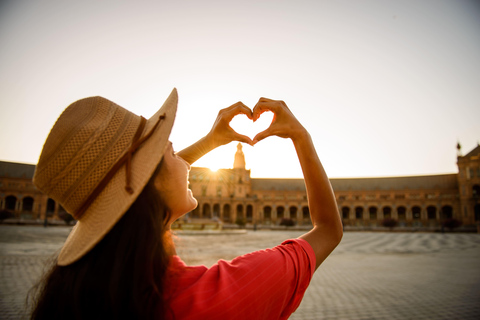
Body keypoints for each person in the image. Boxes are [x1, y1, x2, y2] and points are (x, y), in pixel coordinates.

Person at [29, 88, 342, 319]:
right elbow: (328, 229)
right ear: (151, 188)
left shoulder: (78, 293)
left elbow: (142, 199)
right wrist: (302, 137)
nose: (183, 161)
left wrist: (208, 141)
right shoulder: (218, 297)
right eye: (170, 151)